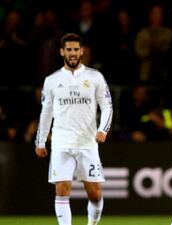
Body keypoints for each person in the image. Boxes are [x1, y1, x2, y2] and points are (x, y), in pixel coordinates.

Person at [34, 33, 113, 225]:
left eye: (76, 49)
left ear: (82, 51)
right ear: (62, 52)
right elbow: (46, 113)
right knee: (61, 188)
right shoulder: (52, 81)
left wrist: (103, 129)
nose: (72, 53)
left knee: (95, 194)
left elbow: (107, 106)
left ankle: (92, 224)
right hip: (61, 142)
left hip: (88, 143)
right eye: (68, 49)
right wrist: (40, 141)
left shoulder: (95, 77)